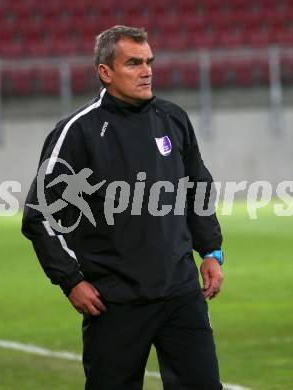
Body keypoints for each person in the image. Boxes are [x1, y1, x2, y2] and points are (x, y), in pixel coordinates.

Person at [22, 25, 224, 390]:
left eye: (149, 61)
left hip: (180, 292)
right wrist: (71, 281)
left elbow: (198, 187)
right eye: (133, 63)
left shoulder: (173, 119)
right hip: (114, 301)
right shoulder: (78, 131)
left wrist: (210, 250)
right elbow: (40, 216)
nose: (146, 70)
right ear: (105, 72)